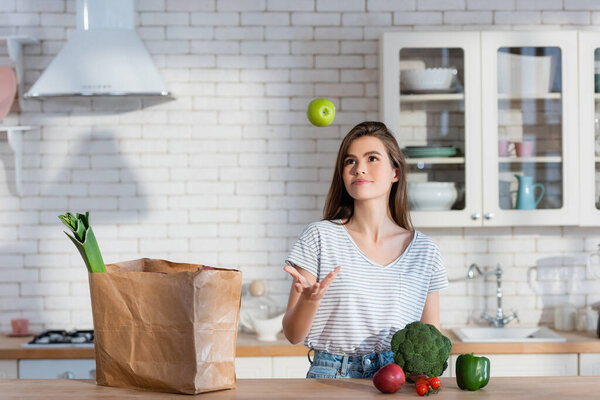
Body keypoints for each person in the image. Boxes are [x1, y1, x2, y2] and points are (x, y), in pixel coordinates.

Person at [282, 121, 449, 379]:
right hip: (332, 377)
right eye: (350, 161)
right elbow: (293, 334)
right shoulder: (320, 236)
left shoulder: (425, 251)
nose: (359, 168)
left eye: (372, 158)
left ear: (395, 172)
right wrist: (309, 301)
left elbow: (430, 336)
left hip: (397, 377)